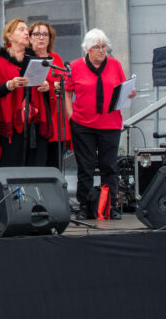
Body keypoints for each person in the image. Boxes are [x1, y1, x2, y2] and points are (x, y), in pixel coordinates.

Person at [66, 29, 133, 219]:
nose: (101, 51)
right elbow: (68, 92)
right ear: (87, 49)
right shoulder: (76, 66)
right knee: (85, 167)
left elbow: (122, 88)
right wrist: (71, 116)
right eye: (97, 47)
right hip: (83, 124)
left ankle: (109, 205)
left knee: (109, 166)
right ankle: (84, 206)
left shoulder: (115, 65)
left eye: (104, 47)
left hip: (110, 123)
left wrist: (130, 93)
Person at [0, 18, 49, 168]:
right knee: (12, 164)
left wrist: (46, 86)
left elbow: (43, 85)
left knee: (34, 164)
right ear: (9, 36)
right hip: (10, 123)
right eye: (21, 29)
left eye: (27, 30)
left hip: (33, 121)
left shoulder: (35, 59)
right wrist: (9, 85)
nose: (26, 33)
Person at [29, 21, 70, 169]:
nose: (41, 37)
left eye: (45, 34)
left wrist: (53, 86)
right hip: (37, 119)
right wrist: (52, 86)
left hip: (56, 117)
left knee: (55, 163)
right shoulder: (27, 58)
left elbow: (63, 80)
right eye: (37, 34)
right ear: (30, 37)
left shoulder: (55, 58)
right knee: (39, 164)